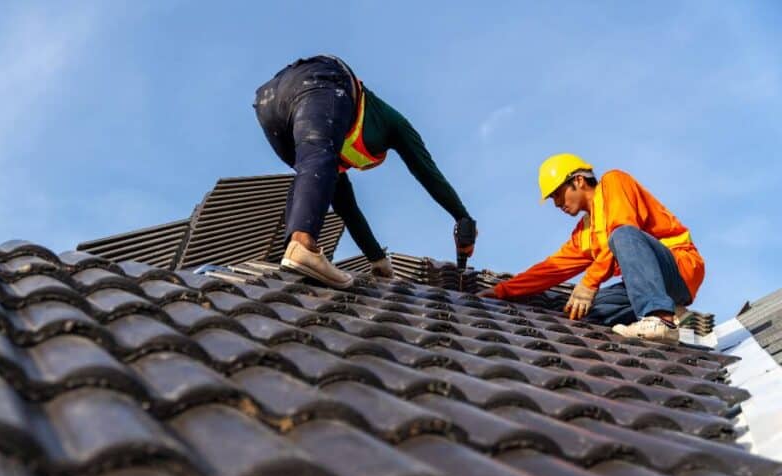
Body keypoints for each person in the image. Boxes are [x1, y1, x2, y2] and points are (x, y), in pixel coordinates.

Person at [253, 54, 476, 288]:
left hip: (269, 102)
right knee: (319, 162)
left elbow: (348, 209)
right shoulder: (393, 124)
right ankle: (302, 244)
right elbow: (427, 172)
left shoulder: (330, 152)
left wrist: (377, 259)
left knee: (312, 177)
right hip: (322, 80)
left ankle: (291, 254)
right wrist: (462, 217)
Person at [478, 153, 704, 343]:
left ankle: (661, 318)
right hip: (645, 284)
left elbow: (623, 228)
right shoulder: (585, 233)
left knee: (622, 234)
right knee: (585, 311)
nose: (556, 203)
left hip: (678, 268)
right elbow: (551, 268)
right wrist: (501, 291)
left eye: (557, 194)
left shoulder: (614, 182)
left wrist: (589, 282)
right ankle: (671, 313)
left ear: (578, 180)